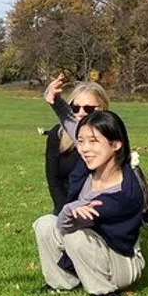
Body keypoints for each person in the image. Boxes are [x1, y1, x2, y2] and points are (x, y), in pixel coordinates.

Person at [32, 74, 148, 296]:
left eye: (93, 142)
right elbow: (75, 126)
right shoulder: (90, 165)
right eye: (81, 142)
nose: (84, 148)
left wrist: (69, 210)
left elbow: (70, 225)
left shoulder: (124, 192)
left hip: (121, 264)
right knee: (44, 224)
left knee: (73, 233)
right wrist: (55, 102)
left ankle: (105, 292)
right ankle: (61, 284)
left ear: (115, 145)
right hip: (92, 244)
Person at [45, 81, 111, 215]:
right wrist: (67, 211)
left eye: (89, 109)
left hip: (99, 208)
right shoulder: (56, 135)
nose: (81, 113)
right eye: (75, 108)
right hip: (66, 207)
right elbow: (54, 182)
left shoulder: (110, 138)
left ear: (103, 109)